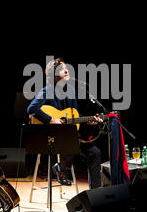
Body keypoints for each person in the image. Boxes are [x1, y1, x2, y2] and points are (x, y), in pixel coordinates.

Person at [27, 57, 103, 188]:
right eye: (62, 69)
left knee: (95, 153)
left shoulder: (71, 91)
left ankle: (94, 192)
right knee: (72, 139)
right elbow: (31, 108)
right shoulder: (47, 90)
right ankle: (61, 168)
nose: (67, 70)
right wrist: (50, 119)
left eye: (66, 68)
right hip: (50, 136)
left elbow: (75, 115)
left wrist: (89, 121)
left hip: (68, 136)